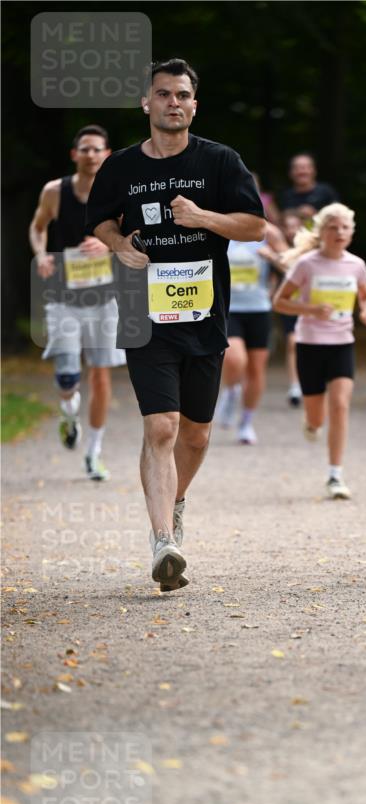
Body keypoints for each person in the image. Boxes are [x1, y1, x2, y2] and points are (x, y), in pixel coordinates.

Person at [86, 58, 265, 589]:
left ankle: (175, 500)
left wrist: (204, 218)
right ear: (146, 103)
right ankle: (163, 540)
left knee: (198, 433)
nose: (173, 103)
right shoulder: (120, 167)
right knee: (160, 426)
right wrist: (120, 246)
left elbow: (255, 226)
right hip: (144, 313)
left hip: (204, 314)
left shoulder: (220, 161)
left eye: (183, 95)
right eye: (163, 94)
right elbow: (99, 219)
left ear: (194, 104)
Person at [29, 125, 126, 480]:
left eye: (96, 149)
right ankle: (69, 412)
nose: (90, 155)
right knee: (68, 375)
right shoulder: (55, 191)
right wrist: (41, 255)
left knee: (100, 375)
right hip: (64, 297)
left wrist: (108, 243)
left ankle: (94, 452)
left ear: (106, 154)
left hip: (104, 299)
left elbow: (134, 234)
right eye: (84, 149)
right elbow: (37, 227)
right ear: (75, 155)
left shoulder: (118, 192)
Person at [273, 202, 366, 499]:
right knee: (317, 417)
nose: (339, 232)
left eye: (344, 227)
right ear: (322, 232)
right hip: (310, 345)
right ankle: (311, 422)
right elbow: (280, 302)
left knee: (341, 405)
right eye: (333, 227)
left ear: (351, 232)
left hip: (342, 344)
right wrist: (310, 309)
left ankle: (335, 475)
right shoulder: (307, 264)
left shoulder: (356, 265)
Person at [214, 220, 288, 444]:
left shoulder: (269, 232)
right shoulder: (218, 226)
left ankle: (246, 422)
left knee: (256, 370)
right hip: (228, 309)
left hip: (259, 309)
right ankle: (230, 391)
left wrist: (273, 257)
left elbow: (292, 265)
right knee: (235, 359)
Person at [279, 210, 305, 406]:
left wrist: (271, 257)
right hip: (289, 303)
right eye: (287, 226)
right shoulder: (279, 247)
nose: (291, 231)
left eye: (295, 226)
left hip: (310, 303)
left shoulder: (311, 250)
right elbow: (274, 277)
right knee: (292, 342)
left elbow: (292, 270)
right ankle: (294, 385)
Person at [278, 153, 338, 221]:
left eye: (305, 167)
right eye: (296, 168)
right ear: (290, 173)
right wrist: (297, 212)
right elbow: (280, 218)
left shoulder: (326, 191)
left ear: (314, 171)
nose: (301, 171)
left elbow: (338, 214)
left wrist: (315, 214)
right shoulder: (285, 195)